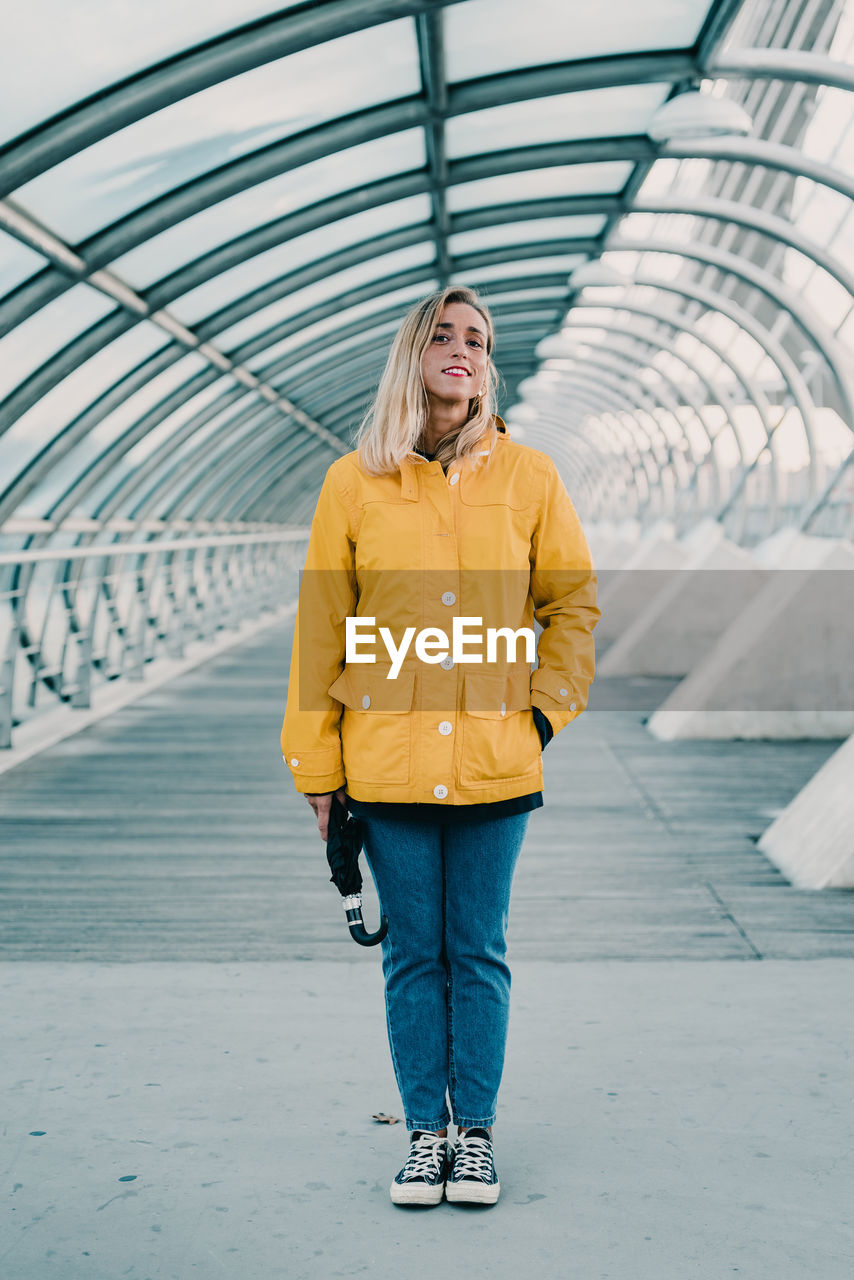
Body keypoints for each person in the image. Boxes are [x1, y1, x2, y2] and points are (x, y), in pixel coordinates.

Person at [281, 284, 600, 1207]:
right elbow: (321, 631)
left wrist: (542, 714)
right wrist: (319, 768)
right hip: (387, 766)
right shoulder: (355, 482)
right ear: (412, 354)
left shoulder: (530, 477)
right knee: (414, 953)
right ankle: (427, 1135)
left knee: (479, 950)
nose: (464, 350)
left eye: (478, 340)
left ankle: (479, 1136)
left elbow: (571, 605)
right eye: (445, 336)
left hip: (498, 760)